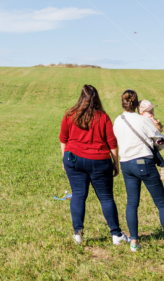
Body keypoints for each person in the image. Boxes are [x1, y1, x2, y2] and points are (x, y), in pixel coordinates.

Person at [113, 90, 164, 254]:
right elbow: (161, 142)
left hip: (126, 164)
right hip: (143, 163)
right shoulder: (142, 120)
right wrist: (155, 145)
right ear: (136, 104)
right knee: (161, 204)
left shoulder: (118, 120)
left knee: (132, 204)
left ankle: (134, 242)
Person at [59, 84, 124, 246]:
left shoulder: (70, 115)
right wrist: (116, 163)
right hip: (99, 160)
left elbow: (63, 139)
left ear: (81, 97)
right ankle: (116, 234)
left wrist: (64, 159)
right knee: (106, 197)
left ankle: (78, 234)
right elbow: (112, 142)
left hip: (74, 159)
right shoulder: (103, 117)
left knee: (78, 194)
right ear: (97, 98)